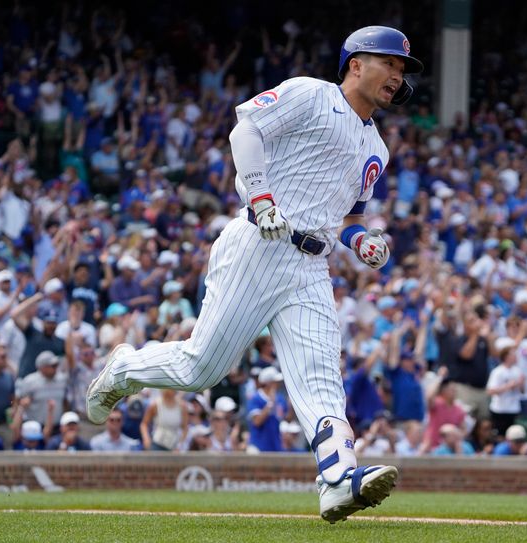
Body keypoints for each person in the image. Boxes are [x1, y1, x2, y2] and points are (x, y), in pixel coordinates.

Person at [86, 25, 422, 522]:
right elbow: (245, 130)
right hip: (259, 242)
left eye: (401, 69)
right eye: (389, 63)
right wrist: (260, 196)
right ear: (356, 63)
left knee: (321, 380)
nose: (397, 75)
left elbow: (346, 217)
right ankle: (124, 368)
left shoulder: (378, 148)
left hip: (311, 263)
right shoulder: (311, 93)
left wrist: (362, 240)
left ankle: (336, 479)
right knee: (200, 369)